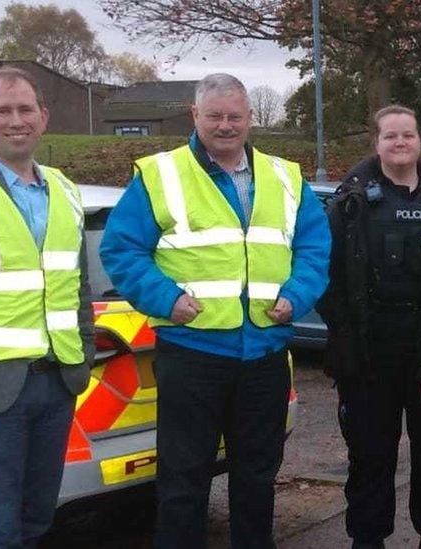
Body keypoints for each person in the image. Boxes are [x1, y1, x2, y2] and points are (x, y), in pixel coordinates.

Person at [99, 73, 330, 549]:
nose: (226, 126)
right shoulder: (161, 173)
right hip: (192, 351)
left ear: (249, 118)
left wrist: (298, 293)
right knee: (184, 481)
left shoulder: (286, 176)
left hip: (264, 352)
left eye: (235, 117)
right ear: (195, 116)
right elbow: (121, 250)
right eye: (215, 116)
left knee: (257, 478)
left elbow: (313, 247)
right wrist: (165, 299)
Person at [317, 105, 421, 549]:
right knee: (370, 452)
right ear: (376, 143)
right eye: (390, 137)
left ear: (420, 140)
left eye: (408, 135)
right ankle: (367, 536)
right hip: (369, 350)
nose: (400, 144)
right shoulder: (351, 199)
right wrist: (344, 331)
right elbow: (327, 275)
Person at [0, 66, 94, 547]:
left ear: (43, 117)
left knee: (37, 521)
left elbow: (78, 284)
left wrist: (80, 357)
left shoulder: (64, 189)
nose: (15, 120)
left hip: (56, 384)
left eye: (25, 109)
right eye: (3, 110)